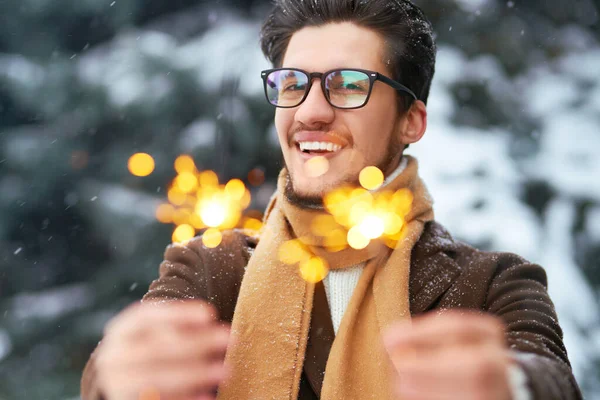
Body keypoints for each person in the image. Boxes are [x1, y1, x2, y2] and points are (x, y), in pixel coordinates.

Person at [81, 0, 582, 399]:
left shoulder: (491, 283)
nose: (311, 112)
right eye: (293, 83)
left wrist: (508, 386)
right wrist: (115, 376)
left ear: (412, 121)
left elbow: (549, 380)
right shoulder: (210, 269)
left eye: (347, 85)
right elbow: (114, 380)